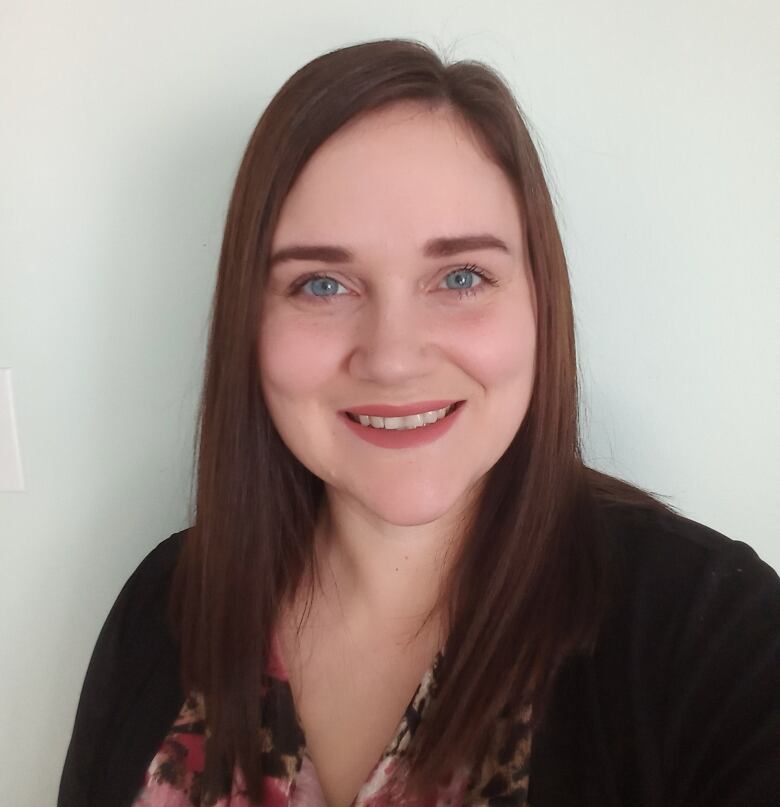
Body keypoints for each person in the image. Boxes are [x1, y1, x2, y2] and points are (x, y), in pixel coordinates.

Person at [58, 38, 780, 807]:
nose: (393, 357)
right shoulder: (164, 607)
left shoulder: (713, 639)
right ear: (249, 319)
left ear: (540, 304)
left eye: (462, 276)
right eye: (323, 283)